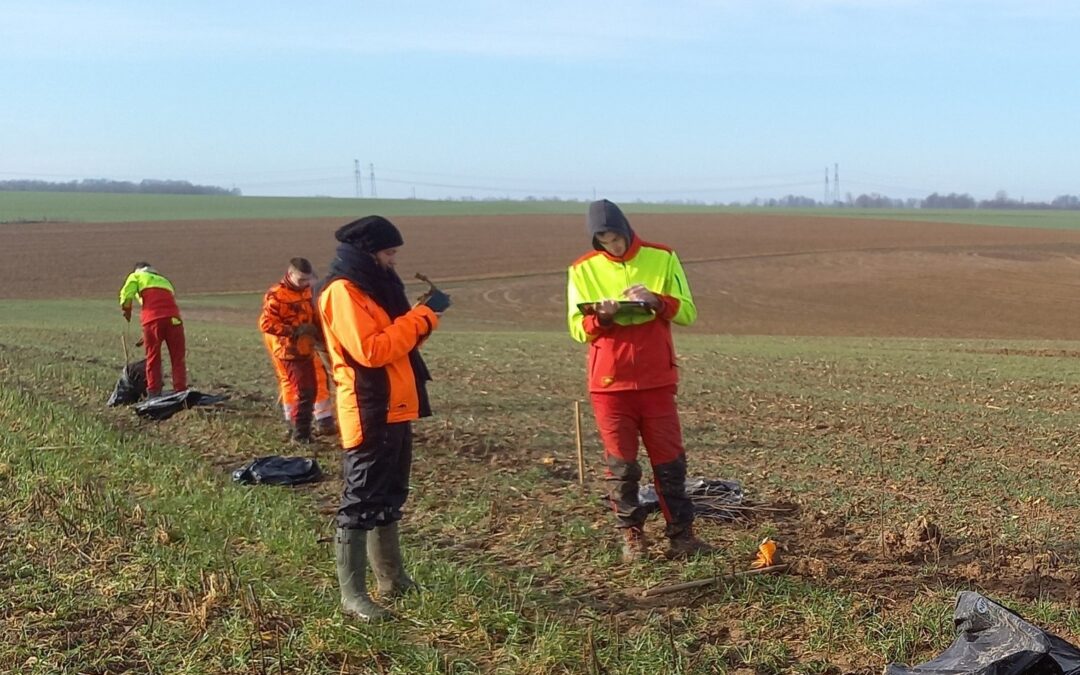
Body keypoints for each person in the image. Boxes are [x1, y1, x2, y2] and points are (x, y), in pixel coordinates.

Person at [316, 215, 451, 621]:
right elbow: (372, 350)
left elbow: (399, 338)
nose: (394, 261)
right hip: (368, 406)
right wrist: (422, 316)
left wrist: (425, 314)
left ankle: (392, 579)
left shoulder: (371, 289)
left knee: (390, 495)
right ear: (369, 252)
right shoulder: (342, 292)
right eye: (389, 253)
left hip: (394, 406)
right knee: (360, 500)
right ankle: (352, 596)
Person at [566, 199, 713, 562]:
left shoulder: (662, 257)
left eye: (616, 238)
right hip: (609, 383)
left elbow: (688, 312)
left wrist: (656, 301)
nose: (612, 247)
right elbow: (576, 328)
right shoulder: (582, 269)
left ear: (627, 229)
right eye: (603, 241)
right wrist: (602, 318)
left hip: (656, 380)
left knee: (671, 463)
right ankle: (632, 538)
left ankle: (682, 536)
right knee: (622, 467)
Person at [259, 257, 332, 443]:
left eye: (308, 280)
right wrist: (293, 331)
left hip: (306, 349)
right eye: (301, 280)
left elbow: (313, 317)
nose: (305, 284)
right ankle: (300, 434)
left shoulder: (307, 291)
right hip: (288, 351)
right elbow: (266, 323)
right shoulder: (277, 295)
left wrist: (321, 336)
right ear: (290, 274)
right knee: (305, 392)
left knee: (311, 390)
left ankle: (302, 432)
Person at [119, 262, 186, 398]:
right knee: (178, 358)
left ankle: (154, 393)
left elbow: (127, 295)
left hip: (152, 320)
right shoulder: (164, 281)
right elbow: (163, 308)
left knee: (153, 358)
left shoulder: (136, 276)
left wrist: (126, 310)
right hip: (175, 320)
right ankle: (181, 391)